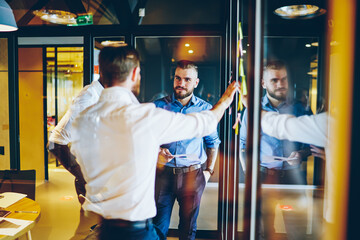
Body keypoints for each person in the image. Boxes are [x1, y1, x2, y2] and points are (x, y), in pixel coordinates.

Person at [70, 46, 238, 240]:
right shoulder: (146, 116)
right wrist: (225, 101)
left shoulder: (82, 120)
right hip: (137, 230)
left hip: (102, 229)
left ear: (101, 72)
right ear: (135, 73)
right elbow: (205, 122)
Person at [239, 60, 311, 239]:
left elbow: (312, 144)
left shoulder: (300, 108)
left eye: (284, 79)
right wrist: (249, 174)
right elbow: (242, 145)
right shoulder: (252, 109)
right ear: (263, 83)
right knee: (262, 231)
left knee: (298, 230)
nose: (280, 85)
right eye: (274, 80)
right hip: (264, 176)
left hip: (293, 177)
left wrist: (301, 154)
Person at [153, 60, 220, 240]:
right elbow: (148, 140)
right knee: (158, 226)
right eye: (178, 78)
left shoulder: (205, 109)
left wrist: (208, 171)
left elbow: (213, 142)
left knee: (188, 228)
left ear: (196, 83)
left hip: (192, 175)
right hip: (163, 175)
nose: (181, 83)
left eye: (187, 79)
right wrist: (158, 150)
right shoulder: (158, 107)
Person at [48, 77, 104, 204]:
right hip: (93, 183)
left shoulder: (107, 98)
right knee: (91, 221)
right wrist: (83, 177)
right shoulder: (89, 97)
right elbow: (55, 142)